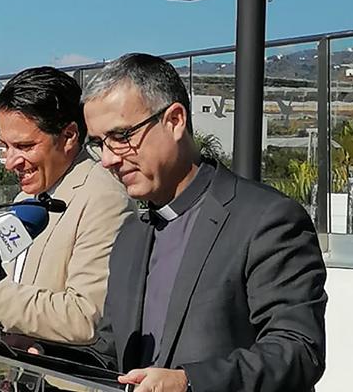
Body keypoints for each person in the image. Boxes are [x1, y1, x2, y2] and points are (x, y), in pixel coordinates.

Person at [83, 54, 327, 392]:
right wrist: (36, 355)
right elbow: (112, 351)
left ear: (175, 120)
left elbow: (298, 350)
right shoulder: (130, 233)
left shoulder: (268, 220)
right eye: (98, 143)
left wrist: (189, 383)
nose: (108, 158)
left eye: (122, 136)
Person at [0, 66, 131, 344]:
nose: (9, 162)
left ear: (69, 136)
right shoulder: (24, 199)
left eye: (25, 146)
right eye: (6, 146)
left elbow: (84, 317)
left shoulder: (104, 200)